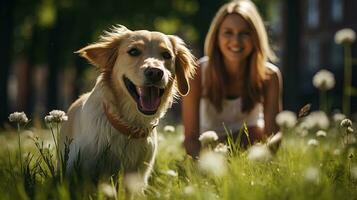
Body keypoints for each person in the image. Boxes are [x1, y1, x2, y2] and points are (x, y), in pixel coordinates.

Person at [182, 0, 282, 158]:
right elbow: (190, 139)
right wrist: (203, 164)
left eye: (245, 33)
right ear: (216, 36)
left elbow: (272, 137)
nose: (236, 41)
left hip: (251, 148)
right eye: (228, 32)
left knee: (255, 131)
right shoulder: (198, 73)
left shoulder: (270, 76)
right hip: (208, 149)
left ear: (255, 37)